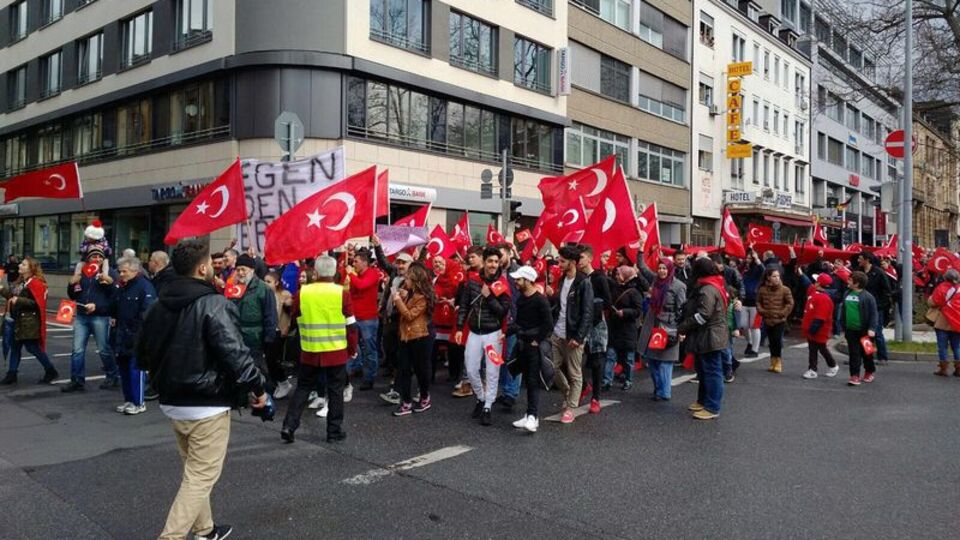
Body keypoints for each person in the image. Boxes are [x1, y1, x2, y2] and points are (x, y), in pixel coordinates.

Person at [137, 239, 267, 540]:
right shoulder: (214, 303)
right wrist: (259, 389)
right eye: (210, 263)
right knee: (200, 476)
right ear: (203, 268)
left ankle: (205, 529)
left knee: (194, 472)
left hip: (172, 401)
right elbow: (236, 355)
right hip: (207, 402)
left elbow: (142, 356)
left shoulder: (157, 306)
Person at [281, 255, 357, 443]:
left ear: (315, 272)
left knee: (303, 388)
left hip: (310, 349)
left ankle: (289, 426)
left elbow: (295, 316)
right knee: (336, 391)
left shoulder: (303, 293)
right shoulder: (342, 293)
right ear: (335, 271)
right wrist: (352, 348)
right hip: (336, 350)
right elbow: (351, 326)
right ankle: (334, 431)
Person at [455, 247, 510, 426]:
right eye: (490, 261)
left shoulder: (501, 283)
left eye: (496, 262)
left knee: (492, 372)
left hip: (493, 334)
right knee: (471, 369)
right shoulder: (473, 281)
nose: (493, 265)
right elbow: (464, 305)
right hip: (474, 333)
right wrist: (459, 328)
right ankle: (480, 397)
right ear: (484, 262)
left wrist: (489, 297)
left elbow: (503, 311)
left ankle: (487, 406)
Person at [677, 257, 729, 420]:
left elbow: (704, 314)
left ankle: (712, 407)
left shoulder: (707, 289)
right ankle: (703, 401)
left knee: (712, 372)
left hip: (711, 335)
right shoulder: (712, 284)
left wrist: (684, 326)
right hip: (708, 334)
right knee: (704, 370)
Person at [63, 246, 120, 392]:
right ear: (88, 258)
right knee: (77, 350)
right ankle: (77, 380)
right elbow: (73, 295)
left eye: (100, 256)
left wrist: (98, 304)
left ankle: (112, 376)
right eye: (94, 256)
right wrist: (71, 284)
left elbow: (115, 296)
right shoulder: (81, 271)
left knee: (104, 349)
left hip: (100, 317)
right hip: (82, 316)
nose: (97, 259)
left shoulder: (109, 272)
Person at [548, 245, 593, 424]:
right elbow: (560, 306)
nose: (559, 264)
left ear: (572, 263)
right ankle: (569, 393)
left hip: (573, 335)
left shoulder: (583, 282)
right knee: (552, 368)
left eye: (562, 261)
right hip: (557, 332)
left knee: (575, 373)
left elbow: (587, 312)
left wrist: (579, 337)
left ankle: (571, 407)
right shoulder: (561, 280)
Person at [508, 265, 554, 433]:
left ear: (528, 280)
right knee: (528, 379)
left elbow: (548, 324)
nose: (515, 282)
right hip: (523, 344)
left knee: (533, 380)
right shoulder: (521, 299)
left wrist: (537, 340)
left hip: (534, 346)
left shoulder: (540, 300)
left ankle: (533, 417)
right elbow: (519, 322)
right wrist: (505, 333)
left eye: (519, 280)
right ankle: (529, 415)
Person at [109, 256, 156, 414]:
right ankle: (129, 400)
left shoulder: (144, 287)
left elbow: (147, 312)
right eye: (120, 271)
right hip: (122, 334)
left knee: (135, 370)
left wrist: (137, 331)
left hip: (137, 336)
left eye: (124, 271)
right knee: (124, 370)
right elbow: (114, 307)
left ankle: (139, 402)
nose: (121, 274)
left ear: (135, 271)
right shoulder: (123, 287)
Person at [0, 257, 58, 385]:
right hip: (18, 320)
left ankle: (50, 370)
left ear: (31, 269)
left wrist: (19, 300)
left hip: (28, 322)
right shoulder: (21, 281)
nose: (20, 265)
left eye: (24, 264)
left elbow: (37, 304)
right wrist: (1, 289)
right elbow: (12, 296)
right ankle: (12, 374)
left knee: (33, 348)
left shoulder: (36, 283)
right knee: (15, 347)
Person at [231, 254, 280, 394]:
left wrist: (269, 338)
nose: (240, 273)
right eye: (238, 269)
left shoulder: (263, 289)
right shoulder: (234, 288)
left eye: (243, 269)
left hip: (256, 337)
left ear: (252, 270)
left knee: (258, 368)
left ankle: (264, 394)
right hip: (237, 335)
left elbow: (270, 315)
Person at [392, 262, 435, 416]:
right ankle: (406, 402)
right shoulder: (409, 293)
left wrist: (398, 300)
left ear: (416, 281)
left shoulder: (423, 297)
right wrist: (402, 297)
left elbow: (409, 315)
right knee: (404, 369)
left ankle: (424, 397)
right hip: (405, 336)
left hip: (420, 337)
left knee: (421, 369)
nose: (406, 281)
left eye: (409, 279)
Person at [577, 246, 612, 413]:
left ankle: (596, 398)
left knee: (597, 360)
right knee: (572, 359)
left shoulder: (599, 277)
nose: (578, 261)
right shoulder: (576, 277)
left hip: (596, 324)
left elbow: (607, 301)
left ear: (590, 258)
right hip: (578, 323)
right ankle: (583, 385)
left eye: (581, 257)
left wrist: (591, 305)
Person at [451, 246, 485, 398]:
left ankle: (479, 384)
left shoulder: (488, 274)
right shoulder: (467, 274)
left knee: (482, 355)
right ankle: (467, 382)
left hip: (484, 319)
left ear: (481, 257)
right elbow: (463, 297)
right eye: (469, 257)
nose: (470, 260)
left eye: (473, 257)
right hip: (469, 318)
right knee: (469, 352)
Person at [346, 250, 381, 391]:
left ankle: (369, 378)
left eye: (356, 261)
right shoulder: (356, 275)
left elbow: (361, 285)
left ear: (365, 263)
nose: (353, 264)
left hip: (368, 319)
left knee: (369, 350)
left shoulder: (373, 273)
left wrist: (350, 274)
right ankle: (357, 367)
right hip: (355, 317)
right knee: (353, 346)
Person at [606, 265, 645, 393]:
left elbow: (638, 311)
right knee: (610, 355)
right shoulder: (614, 288)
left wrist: (625, 312)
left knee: (628, 358)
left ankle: (628, 380)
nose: (616, 276)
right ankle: (607, 380)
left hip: (628, 329)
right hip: (614, 326)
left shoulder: (634, 291)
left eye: (619, 274)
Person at [840, 271, 879, 386]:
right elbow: (844, 310)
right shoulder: (847, 294)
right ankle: (854, 375)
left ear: (857, 284)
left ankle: (869, 371)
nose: (848, 281)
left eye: (850, 280)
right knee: (854, 353)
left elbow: (874, 314)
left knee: (867, 353)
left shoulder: (868, 297)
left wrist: (872, 328)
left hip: (865, 331)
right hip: (851, 330)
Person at [801, 274, 839, 379]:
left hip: (819, 329)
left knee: (816, 348)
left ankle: (814, 369)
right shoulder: (817, 294)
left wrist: (812, 330)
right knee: (818, 348)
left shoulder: (823, 298)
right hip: (816, 328)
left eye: (816, 281)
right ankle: (831, 366)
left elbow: (820, 317)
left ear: (818, 283)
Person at [756, 268, 793, 374]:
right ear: (768, 277)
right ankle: (772, 362)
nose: (777, 278)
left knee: (777, 340)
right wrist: (762, 311)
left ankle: (778, 362)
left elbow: (790, 303)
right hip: (767, 319)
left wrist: (782, 313)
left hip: (779, 320)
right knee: (771, 342)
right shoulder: (762, 289)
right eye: (774, 276)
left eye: (778, 276)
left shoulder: (785, 289)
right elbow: (758, 302)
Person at [263, 271, 294, 398]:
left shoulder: (284, 294)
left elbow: (291, 312)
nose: (265, 284)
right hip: (267, 331)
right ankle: (276, 383)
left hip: (279, 331)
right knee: (268, 360)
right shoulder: (263, 294)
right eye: (264, 281)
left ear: (276, 283)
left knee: (273, 359)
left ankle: (283, 382)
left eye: (269, 281)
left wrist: (287, 327)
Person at [858, 254, 892, 364]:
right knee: (864, 333)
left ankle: (882, 357)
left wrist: (880, 305)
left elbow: (886, 290)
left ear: (867, 260)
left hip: (877, 308)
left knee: (876, 332)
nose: (858, 260)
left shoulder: (879, 272)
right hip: (862, 307)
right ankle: (868, 356)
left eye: (860, 259)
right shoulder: (859, 272)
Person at [928, 268, 960, 377]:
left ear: (946, 277)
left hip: (943, 321)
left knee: (942, 346)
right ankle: (959, 369)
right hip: (957, 321)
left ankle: (943, 369)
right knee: (957, 346)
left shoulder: (941, 287)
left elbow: (933, 302)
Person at [741, 250, 764, 358]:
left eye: (750, 258)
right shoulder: (744, 268)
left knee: (754, 326)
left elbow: (763, 271)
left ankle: (755, 350)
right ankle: (750, 342)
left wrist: (757, 259)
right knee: (743, 325)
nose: (748, 260)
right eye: (747, 258)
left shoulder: (758, 269)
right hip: (744, 300)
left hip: (755, 301)